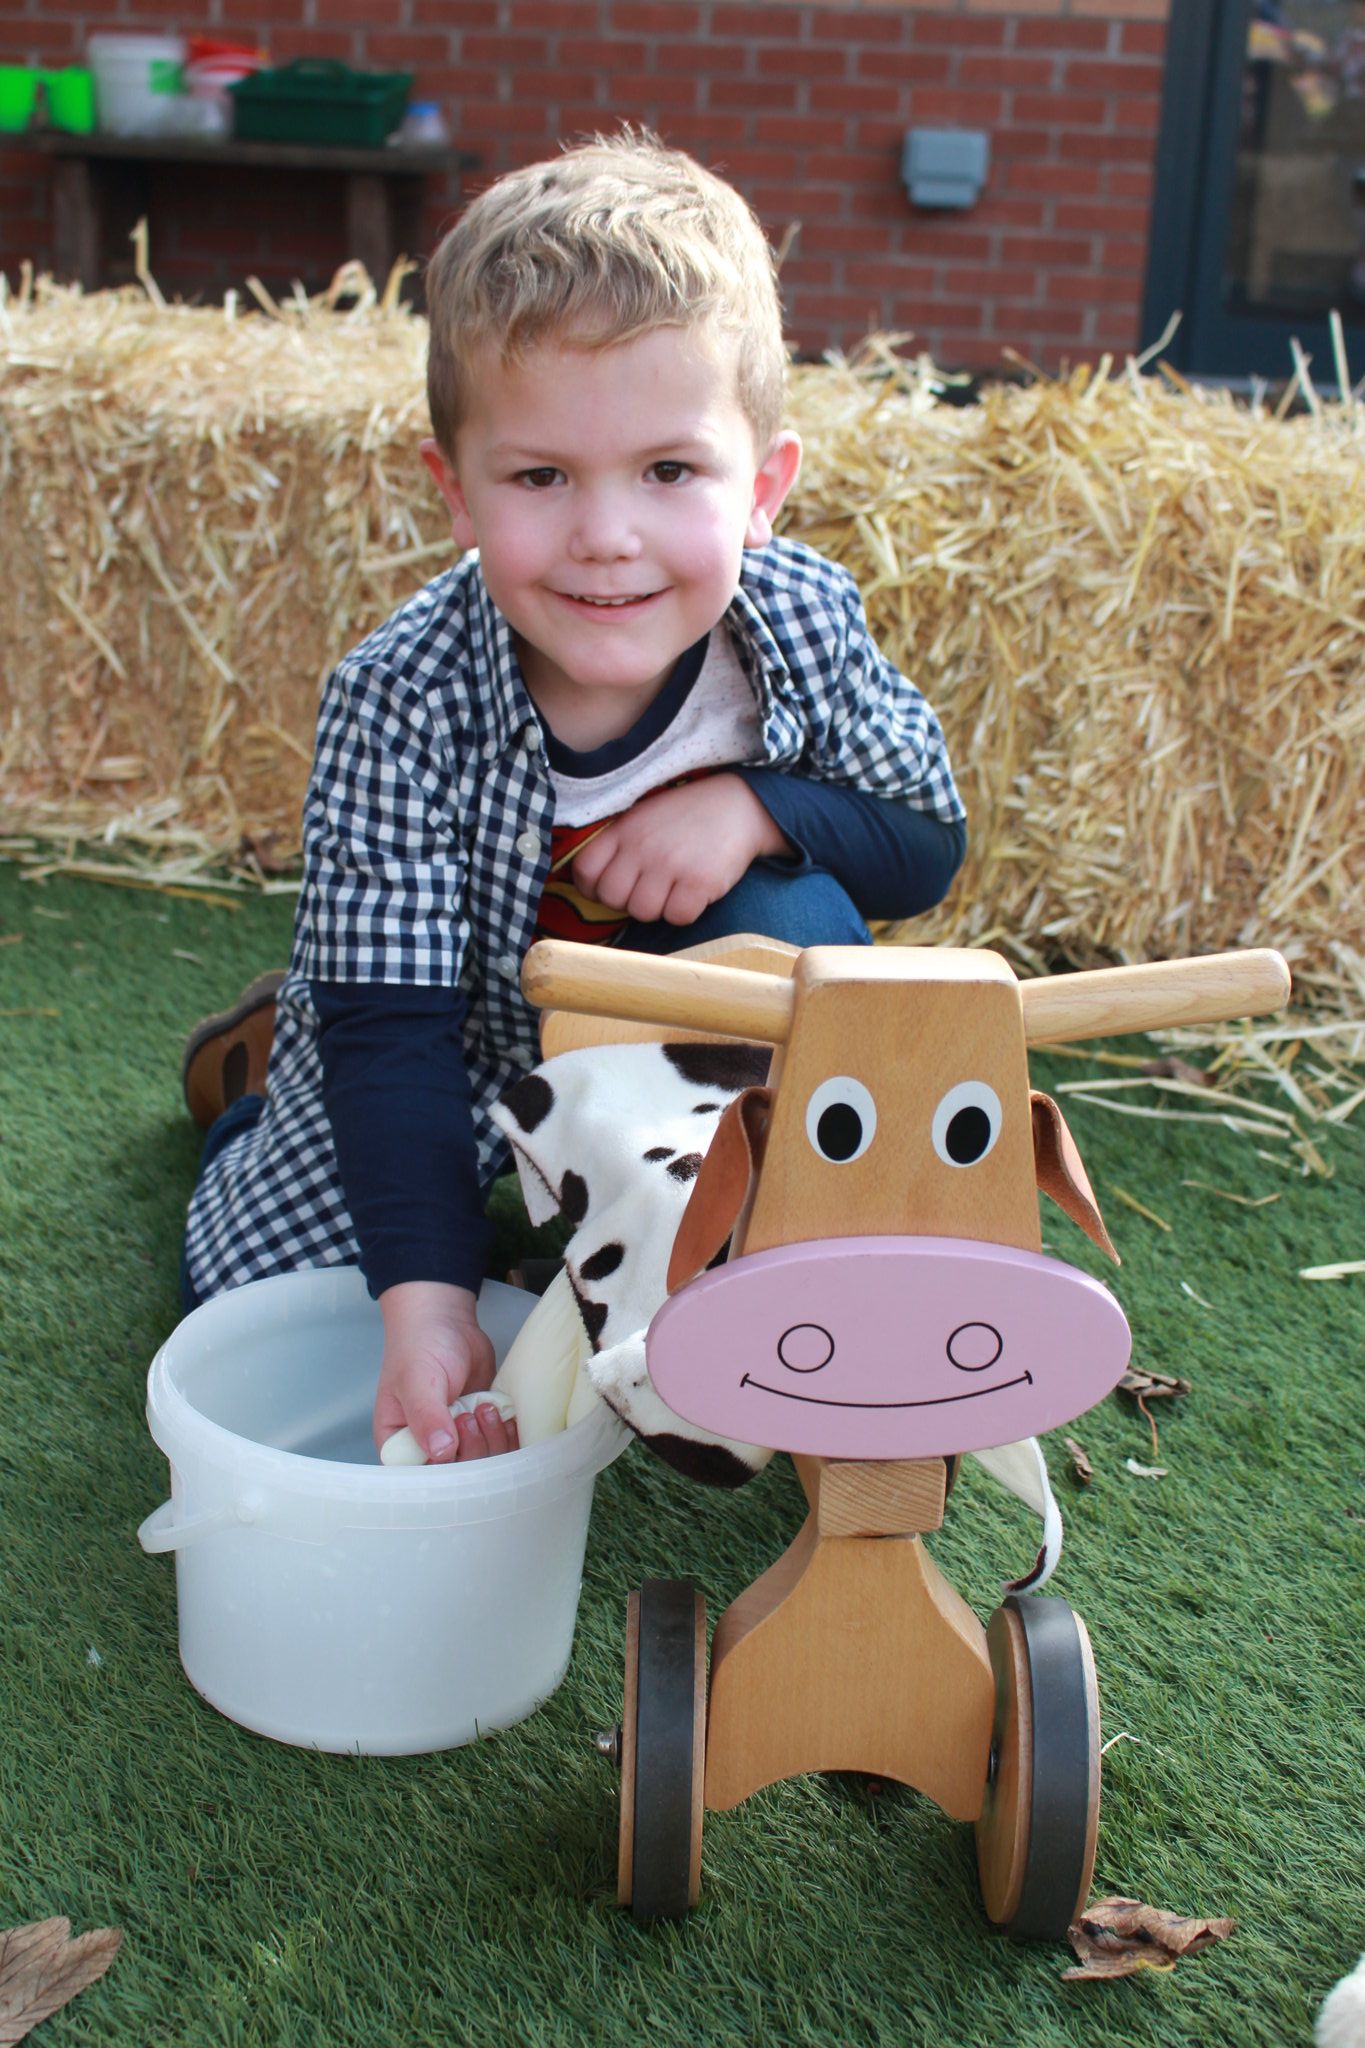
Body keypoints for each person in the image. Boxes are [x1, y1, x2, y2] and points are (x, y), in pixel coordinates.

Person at [180, 130, 967, 1469]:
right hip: (450, 1033)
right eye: (541, 477)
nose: (607, 534)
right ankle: (257, 1089)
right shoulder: (401, 699)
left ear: (762, 486)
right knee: (272, 1296)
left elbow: (922, 849)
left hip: (672, 1054)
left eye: (669, 472)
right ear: (458, 494)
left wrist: (754, 810)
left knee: (805, 921)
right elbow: (395, 1038)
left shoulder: (799, 625)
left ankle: (723, 1247)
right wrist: (423, 1306)